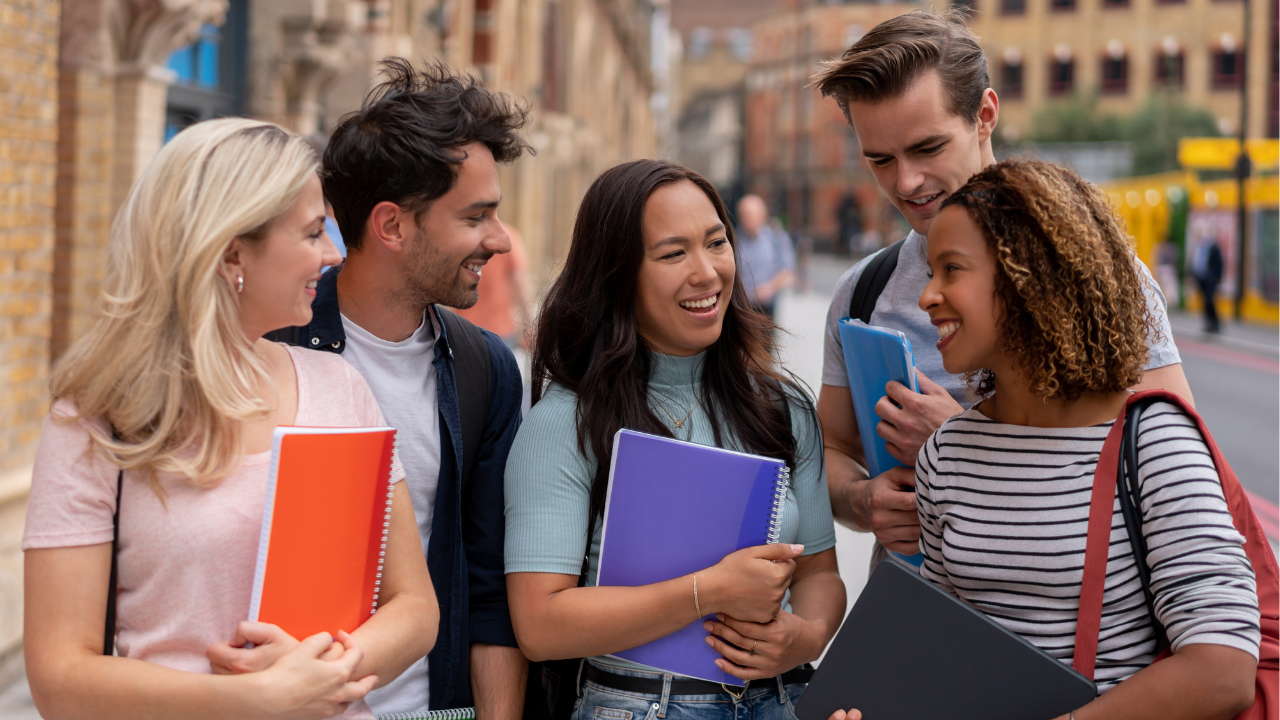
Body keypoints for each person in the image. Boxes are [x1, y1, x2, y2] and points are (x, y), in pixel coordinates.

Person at [22, 118, 438, 719]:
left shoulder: (338, 388)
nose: (331, 254)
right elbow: (59, 678)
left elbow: (415, 607)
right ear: (231, 253)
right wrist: (250, 699)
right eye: (312, 231)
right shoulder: (97, 420)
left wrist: (325, 671)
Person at [809, 7, 1194, 567]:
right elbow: (833, 452)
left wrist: (960, 445)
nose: (906, 182)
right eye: (880, 159)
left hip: (1058, 637)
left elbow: (1171, 480)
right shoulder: (863, 292)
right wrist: (859, 499)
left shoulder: (1099, 276)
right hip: (913, 626)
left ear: (985, 114)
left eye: (927, 148)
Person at [505, 160, 846, 719]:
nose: (708, 272)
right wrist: (706, 592)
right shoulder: (566, 423)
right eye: (672, 254)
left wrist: (803, 637)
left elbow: (818, 573)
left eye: (717, 243)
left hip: (784, 701)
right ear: (617, 275)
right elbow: (539, 625)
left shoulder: (781, 408)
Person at [269, 59, 532, 718]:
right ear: (391, 226)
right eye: (477, 217)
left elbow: (488, 586)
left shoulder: (486, 368)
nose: (499, 241)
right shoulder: (271, 347)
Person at [735, 194, 796, 320]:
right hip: (740, 308)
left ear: (763, 214)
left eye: (750, 214)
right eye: (743, 214)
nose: (746, 218)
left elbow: (788, 272)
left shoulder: (776, 238)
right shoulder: (734, 240)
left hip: (765, 308)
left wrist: (770, 287)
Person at [1191, 236, 1224, 333]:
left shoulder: (1214, 248)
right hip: (1201, 278)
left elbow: (1219, 264)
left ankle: (1215, 323)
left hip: (1210, 279)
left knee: (1210, 301)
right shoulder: (1199, 247)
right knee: (1204, 302)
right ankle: (1208, 324)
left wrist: (1218, 278)